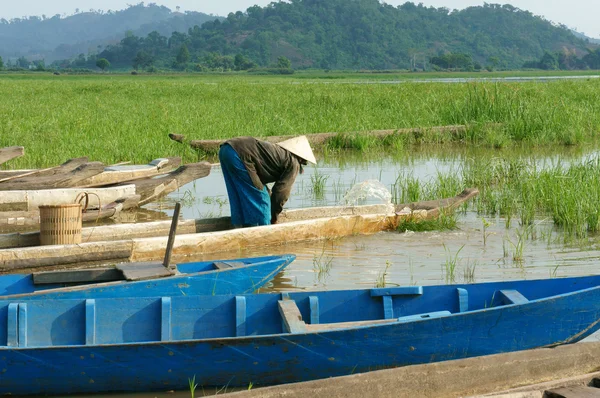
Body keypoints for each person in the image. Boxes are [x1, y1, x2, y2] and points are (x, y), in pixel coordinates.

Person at [218, 135, 316, 228]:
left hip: (226, 150)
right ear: (302, 158)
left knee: (236, 195)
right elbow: (281, 193)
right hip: (239, 154)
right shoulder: (293, 162)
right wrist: (273, 217)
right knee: (263, 199)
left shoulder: (279, 152)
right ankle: (264, 231)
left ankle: (238, 227)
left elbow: (258, 178)